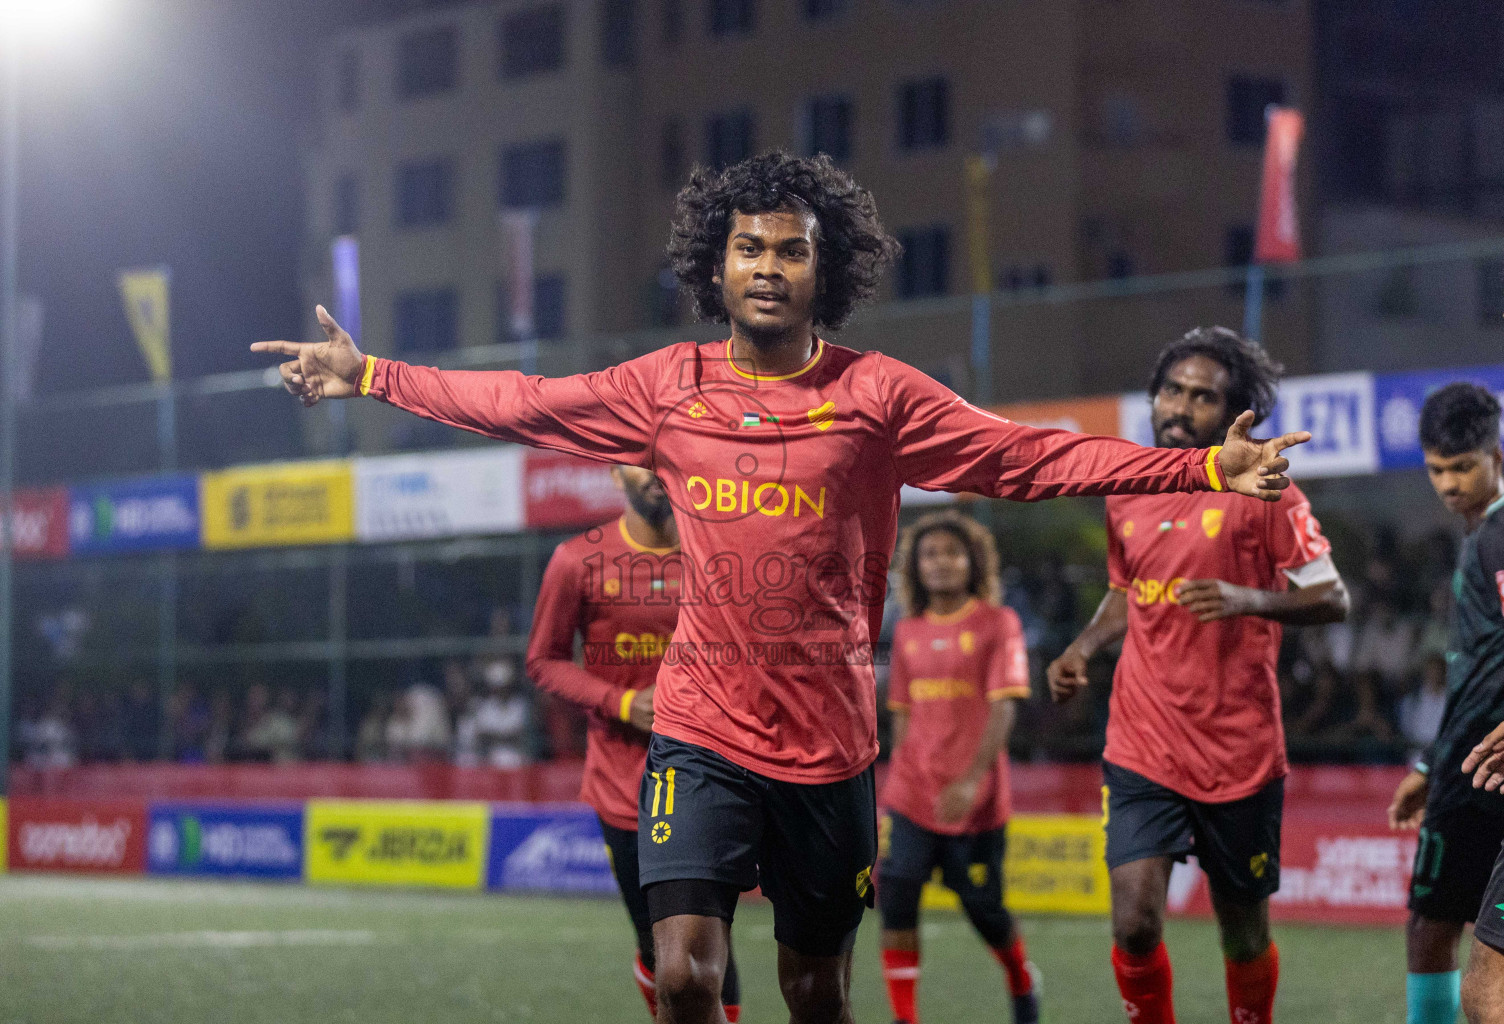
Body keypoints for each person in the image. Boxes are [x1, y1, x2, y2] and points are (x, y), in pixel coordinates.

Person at [254, 152, 1310, 1024]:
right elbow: (524, 402)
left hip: (830, 744)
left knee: (814, 993)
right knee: (684, 977)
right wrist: (371, 374)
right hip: (700, 728)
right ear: (717, 267)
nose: (768, 267)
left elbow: (1030, 458)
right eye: (749, 248)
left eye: (792, 250)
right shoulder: (665, 387)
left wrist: (1205, 466)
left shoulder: (879, 395)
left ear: (826, 267)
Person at [1047, 326, 1348, 1024]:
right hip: (1142, 744)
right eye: (1173, 391)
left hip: (1239, 753)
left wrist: (1250, 600)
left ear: (1235, 411)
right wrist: (1083, 647)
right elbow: (1127, 590)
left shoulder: (1269, 491)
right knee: (1135, 924)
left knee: (1243, 936)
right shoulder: (1126, 487)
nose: (1181, 406)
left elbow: (1333, 597)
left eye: (1203, 397)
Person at [526, 465, 741, 1022]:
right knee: (661, 948)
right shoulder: (577, 560)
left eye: (664, 459)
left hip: (713, 775)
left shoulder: (720, 551)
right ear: (615, 473)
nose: (655, 474)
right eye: (639, 462)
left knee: (710, 948)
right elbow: (544, 661)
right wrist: (623, 703)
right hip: (625, 786)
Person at [876, 511, 1038, 1024]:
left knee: (984, 909)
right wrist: (899, 777)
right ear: (915, 567)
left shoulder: (998, 623)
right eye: (929, 554)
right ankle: (907, 1018)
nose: (941, 562)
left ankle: (1019, 977)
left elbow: (1004, 706)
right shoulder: (907, 632)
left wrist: (971, 781)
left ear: (973, 562)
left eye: (952, 552)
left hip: (975, 799)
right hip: (912, 795)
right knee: (896, 895)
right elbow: (901, 712)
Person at [1383, 384, 1504, 1024]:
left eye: (1463, 467)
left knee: (1460, 956)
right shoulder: (1478, 536)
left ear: (1496, 455)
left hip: (1490, 773)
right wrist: (1432, 766)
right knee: (1432, 929)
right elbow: (1477, 673)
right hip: (1462, 768)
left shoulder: (1499, 536)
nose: (1449, 484)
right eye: (1437, 469)